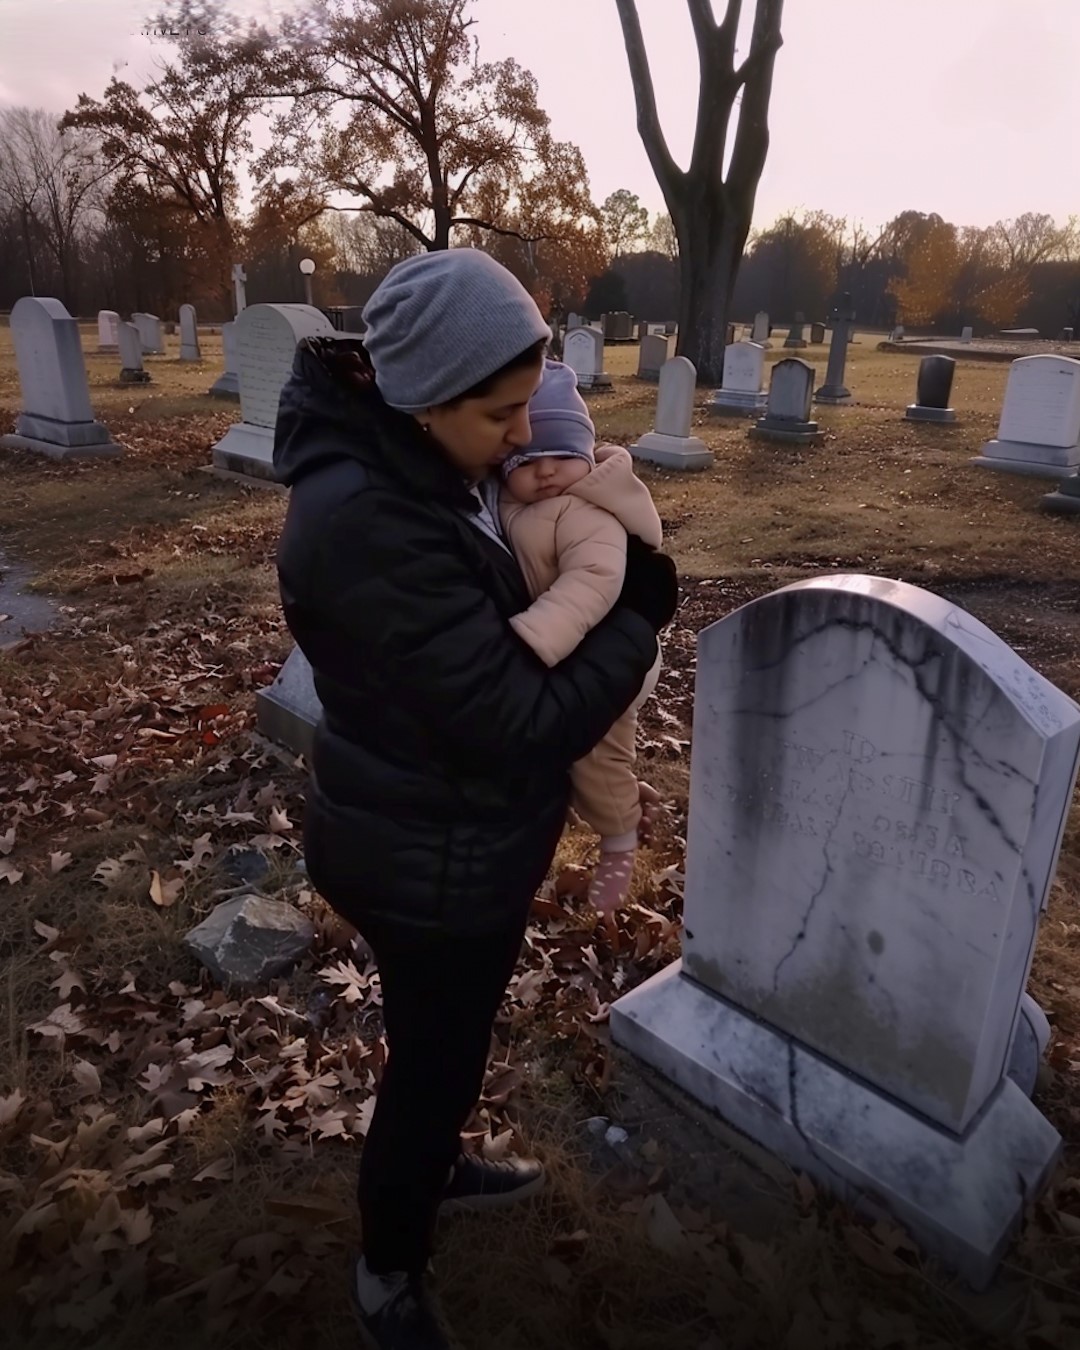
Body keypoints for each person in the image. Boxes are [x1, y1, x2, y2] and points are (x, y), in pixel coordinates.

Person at [271, 249, 679, 1350]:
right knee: (438, 1059)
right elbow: (519, 716)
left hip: (428, 824)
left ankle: (434, 1159)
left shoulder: (409, 463)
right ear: (426, 397)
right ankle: (387, 1271)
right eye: (500, 414)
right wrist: (640, 614)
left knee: (432, 1040)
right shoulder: (370, 522)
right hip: (429, 856)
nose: (519, 437)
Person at [498, 359, 664, 914]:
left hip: (601, 650)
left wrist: (532, 635)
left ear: (587, 456)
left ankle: (618, 840)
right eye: (526, 460)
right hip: (570, 651)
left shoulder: (586, 512)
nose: (544, 471)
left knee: (595, 755)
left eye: (562, 456)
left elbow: (594, 581)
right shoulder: (516, 504)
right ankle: (628, 798)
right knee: (586, 754)